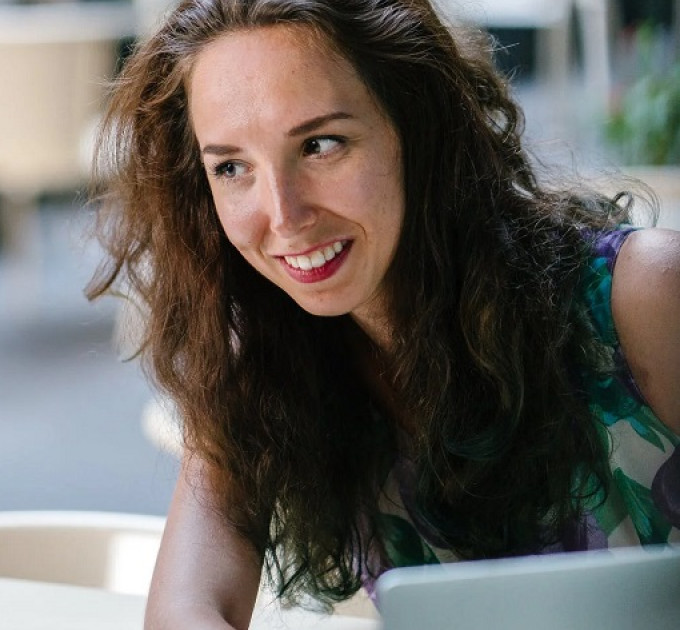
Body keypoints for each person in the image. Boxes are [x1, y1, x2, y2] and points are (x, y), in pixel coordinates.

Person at [85, 0, 680, 627]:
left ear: (416, 127)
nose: (283, 217)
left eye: (320, 144)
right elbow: (185, 609)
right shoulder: (263, 362)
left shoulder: (643, 297)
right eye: (232, 167)